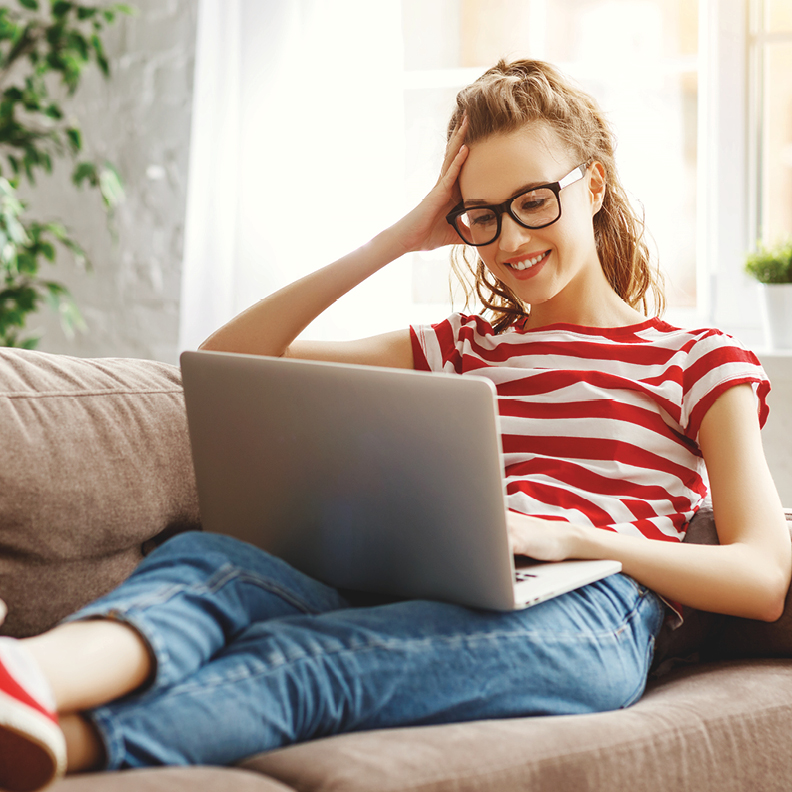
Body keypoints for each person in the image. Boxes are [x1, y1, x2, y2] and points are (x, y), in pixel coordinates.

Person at [1, 59, 789, 792]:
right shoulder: (459, 346)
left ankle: (63, 745)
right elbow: (222, 362)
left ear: (595, 186)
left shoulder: (698, 358)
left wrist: (575, 540)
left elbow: (760, 578)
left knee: (310, 664)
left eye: (535, 202)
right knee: (215, 561)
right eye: (482, 216)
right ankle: (28, 676)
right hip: (430, 580)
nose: (510, 240)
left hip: (593, 612)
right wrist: (397, 240)